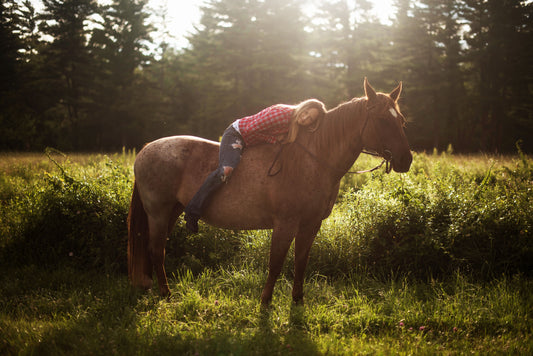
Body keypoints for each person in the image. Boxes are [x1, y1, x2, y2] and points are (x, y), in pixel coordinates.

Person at [184, 99, 327, 232]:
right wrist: (274, 139)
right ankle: (193, 210)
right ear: (303, 106)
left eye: (310, 119)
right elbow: (252, 129)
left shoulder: (296, 124)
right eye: (306, 113)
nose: (305, 119)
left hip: (253, 142)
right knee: (226, 169)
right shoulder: (281, 114)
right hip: (238, 134)